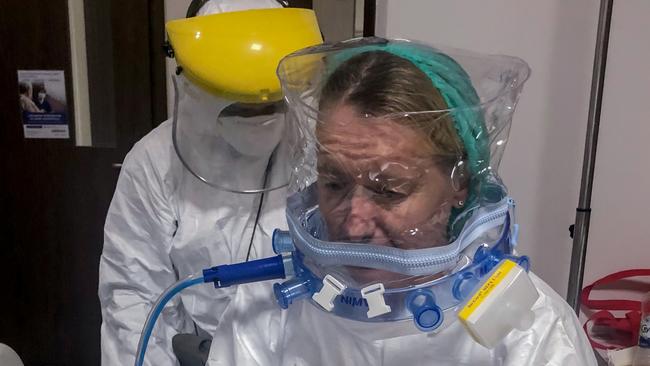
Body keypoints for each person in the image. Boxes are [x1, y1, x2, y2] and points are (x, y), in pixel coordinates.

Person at [201, 38, 599, 365]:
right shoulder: (265, 317)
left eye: (389, 189)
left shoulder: (531, 333)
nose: (354, 224)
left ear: (461, 183)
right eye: (334, 183)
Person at [97, 1, 321, 365]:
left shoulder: (321, 148)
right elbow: (134, 296)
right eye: (240, 107)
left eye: (270, 106)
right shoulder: (156, 160)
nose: (257, 117)